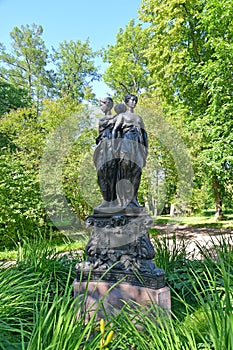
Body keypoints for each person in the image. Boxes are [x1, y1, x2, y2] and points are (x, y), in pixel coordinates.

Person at [112, 94, 148, 208]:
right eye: (131, 100)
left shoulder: (138, 118)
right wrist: (114, 147)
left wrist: (146, 149)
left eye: (135, 100)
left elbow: (144, 134)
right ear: (126, 102)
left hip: (138, 144)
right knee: (125, 172)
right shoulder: (122, 116)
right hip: (127, 143)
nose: (133, 102)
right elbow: (115, 130)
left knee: (137, 172)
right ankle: (123, 200)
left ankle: (133, 199)